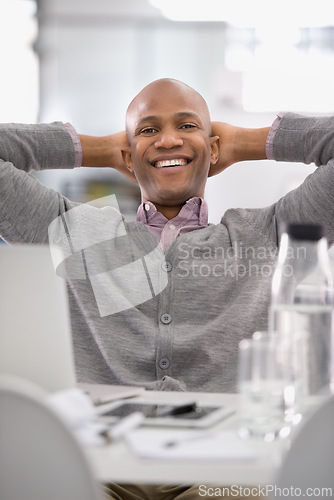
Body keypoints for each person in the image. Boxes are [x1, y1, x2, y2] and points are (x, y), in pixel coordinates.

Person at [1, 78, 334, 499]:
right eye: (147, 130)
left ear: (212, 148)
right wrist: (97, 149)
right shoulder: (83, 236)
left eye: (187, 126)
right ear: (127, 153)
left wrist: (248, 142)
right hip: (103, 470)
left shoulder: (263, 234)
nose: (168, 139)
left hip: (220, 474)